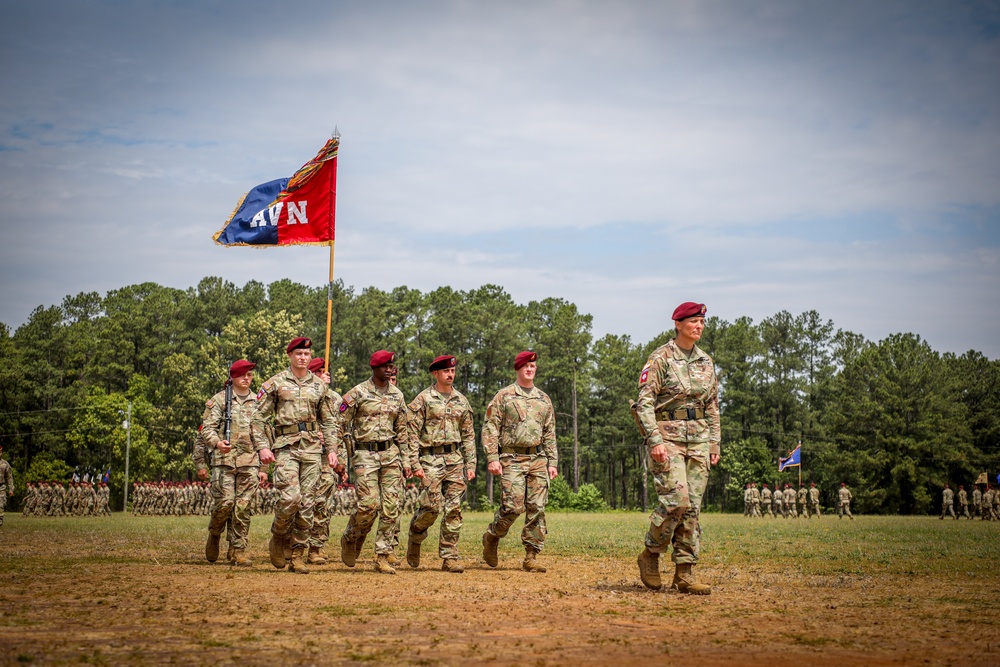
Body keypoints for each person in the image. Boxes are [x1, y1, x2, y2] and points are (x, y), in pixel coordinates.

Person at [634, 302, 721, 594]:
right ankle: (650, 554)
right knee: (677, 501)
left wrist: (714, 442)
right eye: (694, 321)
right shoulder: (661, 357)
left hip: (698, 438)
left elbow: (712, 406)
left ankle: (684, 573)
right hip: (667, 437)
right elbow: (645, 402)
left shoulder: (706, 361)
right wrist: (654, 439)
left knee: (692, 508)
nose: (699, 326)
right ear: (678, 324)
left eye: (702, 322)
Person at [251, 337, 339, 575]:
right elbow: (258, 419)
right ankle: (279, 535)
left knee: (308, 502)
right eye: (298, 353)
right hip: (285, 447)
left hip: (312, 448)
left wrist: (332, 450)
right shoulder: (276, 383)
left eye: (306, 354)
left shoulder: (320, 386)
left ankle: (298, 554)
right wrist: (263, 447)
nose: (303, 357)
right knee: (291, 498)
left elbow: (329, 421)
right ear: (289, 355)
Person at [481, 351, 558, 573]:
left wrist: (552, 461)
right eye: (526, 365)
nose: (530, 369)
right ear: (518, 369)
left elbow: (549, 432)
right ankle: (493, 536)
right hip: (511, 458)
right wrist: (493, 457)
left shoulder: (543, 399)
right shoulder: (504, 396)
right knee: (513, 507)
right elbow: (490, 427)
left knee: (537, 507)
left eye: (533, 365)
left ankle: (531, 556)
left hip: (537, 458)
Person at [334, 350, 409, 574]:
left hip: (391, 455)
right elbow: (339, 425)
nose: (390, 369)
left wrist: (407, 461)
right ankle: (350, 537)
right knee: (368, 506)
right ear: (375, 368)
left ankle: (382, 555)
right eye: (385, 366)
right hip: (365, 455)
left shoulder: (398, 395)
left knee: (391, 507)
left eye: (392, 366)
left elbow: (403, 432)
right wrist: (339, 456)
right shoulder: (357, 393)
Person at [405, 355, 477, 573]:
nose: (450, 374)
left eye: (452, 371)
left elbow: (468, 435)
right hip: (430, 460)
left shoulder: (461, 401)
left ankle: (450, 556)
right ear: (435, 373)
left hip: (455, 459)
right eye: (445, 371)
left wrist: (471, 463)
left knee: (453, 509)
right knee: (432, 507)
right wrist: (414, 463)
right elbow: (411, 434)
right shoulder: (423, 400)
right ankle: (416, 534)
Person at [201, 360, 264, 566]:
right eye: (242, 375)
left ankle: (237, 549)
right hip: (224, 460)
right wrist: (217, 442)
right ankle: (215, 533)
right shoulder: (219, 400)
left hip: (250, 460)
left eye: (250, 375)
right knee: (226, 503)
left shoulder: (258, 402)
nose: (247, 379)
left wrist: (264, 466)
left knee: (243, 507)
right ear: (233, 377)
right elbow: (207, 429)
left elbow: (265, 433)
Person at [304, 357, 344, 565]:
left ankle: (316, 547)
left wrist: (341, 462)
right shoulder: (303, 396)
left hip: (327, 459)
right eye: (319, 372)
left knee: (323, 503)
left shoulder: (336, 399)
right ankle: (292, 543)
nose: (324, 375)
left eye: (325, 372)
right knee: (302, 501)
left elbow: (342, 432)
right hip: (305, 454)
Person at [0, 445, 13, 527]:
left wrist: (11, 489)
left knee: (0, 505)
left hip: (1, 487)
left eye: (0, 451)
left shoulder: (5, 464)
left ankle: (0, 522)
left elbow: (9, 477)